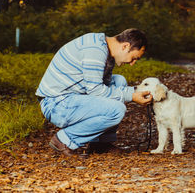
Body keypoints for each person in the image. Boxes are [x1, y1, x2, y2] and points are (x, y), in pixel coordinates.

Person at [36, 28, 153, 156]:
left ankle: (100, 144)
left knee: (119, 81)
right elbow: (96, 91)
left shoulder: (106, 49)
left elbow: (105, 87)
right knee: (117, 110)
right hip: (55, 104)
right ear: (125, 46)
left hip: (71, 97)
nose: (132, 63)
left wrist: (136, 91)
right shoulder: (95, 50)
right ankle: (64, 140)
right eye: (134, 58)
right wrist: (131, 95)